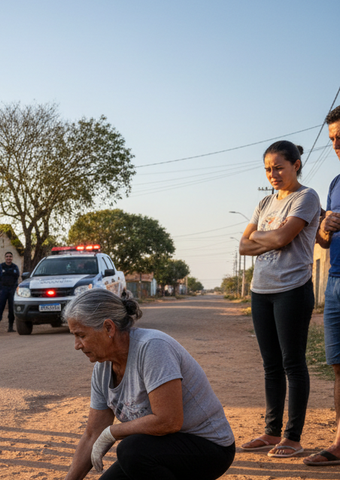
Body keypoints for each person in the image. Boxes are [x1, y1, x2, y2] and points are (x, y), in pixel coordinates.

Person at [63, 289, 235, 480]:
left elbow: (168, 421)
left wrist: (112, 432)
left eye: (81, 335)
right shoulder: (102, 368)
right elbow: (92, 434)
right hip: (161, 448)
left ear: (109, 328)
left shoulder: (153, 347)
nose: (77, 345)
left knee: (131, 451)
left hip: (209, 448)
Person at [238, 140, 320, 458]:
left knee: (293, 363)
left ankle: (293, 437)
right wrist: (265, 238)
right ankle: (272, 434)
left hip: (293, 290)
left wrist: (261, 237)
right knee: (271, 366)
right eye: (268, 169)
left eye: (278, 167)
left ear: (296, 165)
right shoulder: (264, 203)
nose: (273, 174)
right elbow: (243, 247)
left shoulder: (306, 197)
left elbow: (283, 237)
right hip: (261, 291)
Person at [309, 105, 340, 466]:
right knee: (337, 366)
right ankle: (339, 442)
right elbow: (323, 241)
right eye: (332, 138)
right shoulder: (334, 183)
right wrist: (324, 227)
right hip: (334, 283)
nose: (336, 144)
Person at [0, 251, 20, 333]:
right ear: (5, 257)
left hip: (12, 290)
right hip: (3, 289)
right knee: (0, 309)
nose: (8, 258)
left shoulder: (15, 267)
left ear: (12, 258)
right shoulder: (1, 266)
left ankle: (10, 327)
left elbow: (17, 277)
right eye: (7, 256)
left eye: (10, 256)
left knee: (11, 309)